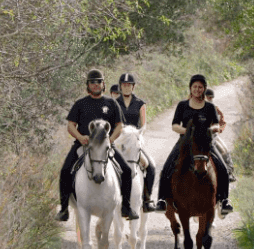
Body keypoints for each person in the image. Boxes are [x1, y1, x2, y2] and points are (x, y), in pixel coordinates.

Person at [55, 69, 139, 222]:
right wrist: (80, 137)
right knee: (65, 170)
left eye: (98, 81)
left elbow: (119, 126)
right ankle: (64, 208)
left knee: (126, 170)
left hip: (106, 146)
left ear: (103, 84)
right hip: (83, 145)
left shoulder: (112, 103)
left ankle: (126, 207)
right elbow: (71, 125)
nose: (95, 84)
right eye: (92, 82)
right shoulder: (80, 104)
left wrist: (110, 140)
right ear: (88, 85)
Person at [155, 75, 234, 216]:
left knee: (222, 167)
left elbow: (216, 123)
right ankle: (162, 199)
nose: (197, 89)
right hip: (185, 141)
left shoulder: (209, 107)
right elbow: (174, 125)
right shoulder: (182, 106)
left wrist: (212, 129)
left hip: (205, 142)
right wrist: (188, 131)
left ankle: (224, 200)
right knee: (167, 166)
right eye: (195, 87)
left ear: (204, 89)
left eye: (200, 87)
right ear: (190, 88)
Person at [115, 73, 157, 212]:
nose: (126, 87)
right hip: (119, 141)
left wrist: (135, 136)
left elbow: (143, 126)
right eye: (124, 85)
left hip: (134, 142)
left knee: (150, 166)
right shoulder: (114, 103)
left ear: (133, 87)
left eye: (129, 85)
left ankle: (147, 199)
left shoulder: (140, 104)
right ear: (120, 86)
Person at [205, 88, 236, 182]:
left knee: (224, 150)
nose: (209, 99)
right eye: (208, 97)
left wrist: (218, 129)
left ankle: (229, 171)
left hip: (212, 136)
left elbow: (222, 122)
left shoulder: (215, 109)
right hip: (198, 135)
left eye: (211, 98)